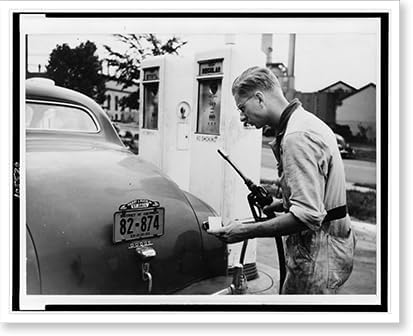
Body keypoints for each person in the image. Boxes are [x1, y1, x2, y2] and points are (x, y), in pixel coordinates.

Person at [208, 66, 356, 294]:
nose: (241, 116)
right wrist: (281, 204)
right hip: (330, 242)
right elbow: (318, 193)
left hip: (318, 252)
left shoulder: (296, 137)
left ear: (259, 98)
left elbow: (308, 216)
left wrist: (245, 231)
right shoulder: (305, 122)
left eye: (242, 107)